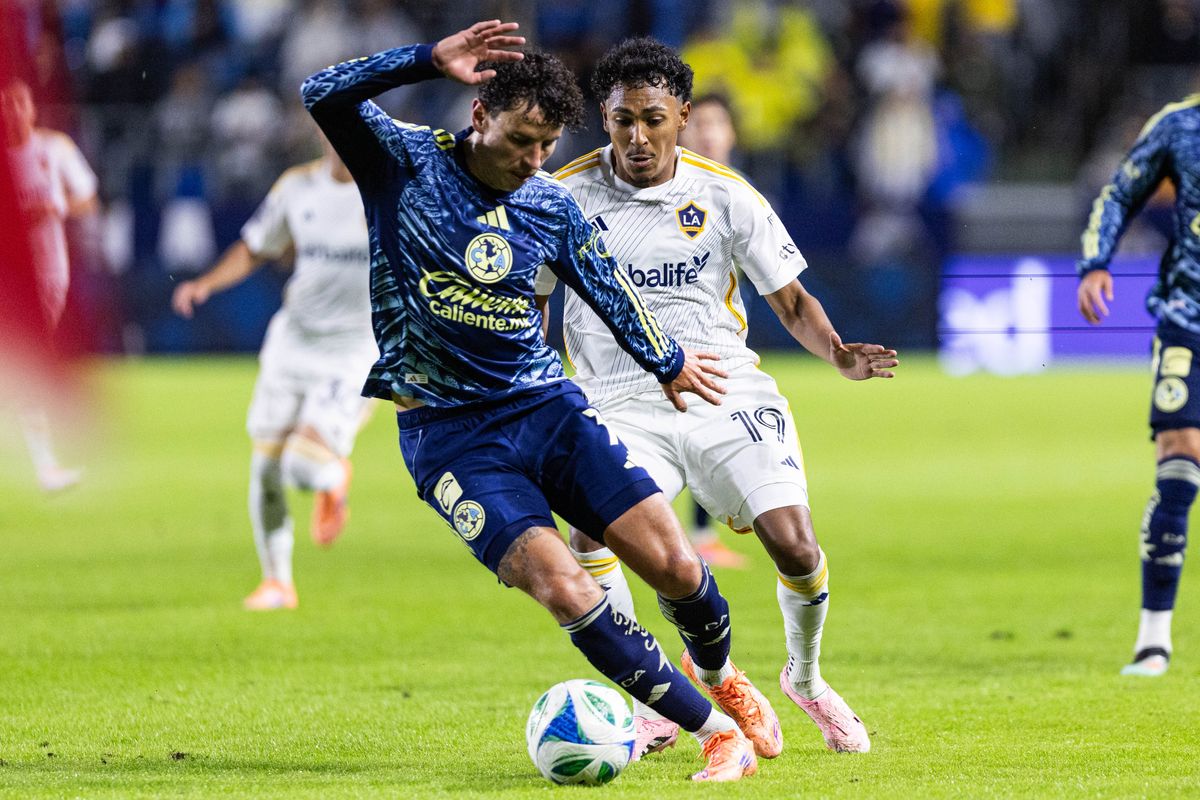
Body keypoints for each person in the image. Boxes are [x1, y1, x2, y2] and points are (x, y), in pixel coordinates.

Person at [301, 20, 773, 782]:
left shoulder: (548, 205)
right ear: (479, 116)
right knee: (563, 585)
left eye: (546, 146)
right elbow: (320, 93)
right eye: (520, 140)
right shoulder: (403, 162)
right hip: (450, 437)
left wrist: (666, 361)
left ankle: (723, 678)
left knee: (676, 567)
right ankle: (717, 732)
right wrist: (425, 60)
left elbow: (603, 284)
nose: (532, 161)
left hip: (546, 410)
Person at [537, 38, 897, 757]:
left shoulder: (726, 195)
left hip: (724, 389)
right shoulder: (562, 198)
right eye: (620, 121)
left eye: (652, 118)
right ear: (602, 121)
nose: (637, 136)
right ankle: (660, 700)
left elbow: (791, 301)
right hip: (615, 400)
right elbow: (530, 307)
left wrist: (837, 352)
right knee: (590, 538)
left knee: (795, 546)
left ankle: (806, 679)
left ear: (682, 116)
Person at [172, 134, 374, 611]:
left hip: (353, 349)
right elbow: (254, 246)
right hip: (293, 341)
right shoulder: (297, 187)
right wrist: (205, 284)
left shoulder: (386, 186)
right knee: (265, 466)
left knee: (300, 467)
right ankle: (277, 583)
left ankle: (332, 476)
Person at [1078, 93, 1200, 677]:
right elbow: (1122, 190)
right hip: (1189, 316)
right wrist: (1096, 261)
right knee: (1179, 459)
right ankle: (1154, 638)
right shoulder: (1179, 127)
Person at [1, 79, 98, 493]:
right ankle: (46, 469)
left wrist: (55, 207)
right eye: (7, 106)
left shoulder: (54, 149)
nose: (14, 113)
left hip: (49, 279)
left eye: (20, 104)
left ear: (32, 108)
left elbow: (88, 198)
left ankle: (45, 466)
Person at [678, 91, 748, 570]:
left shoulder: (739, 193)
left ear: (732, 135)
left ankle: (702, 533)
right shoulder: (659, 187)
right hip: (656, 343)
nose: (706, 132)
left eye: (716, 124)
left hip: (716, 336)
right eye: (698, 123)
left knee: (705, 433)